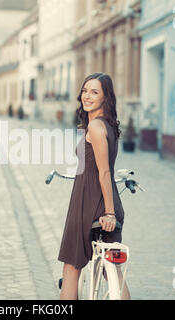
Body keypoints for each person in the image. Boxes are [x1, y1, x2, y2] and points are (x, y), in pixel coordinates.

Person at [58, 73, 130, 300]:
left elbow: (104, 172)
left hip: (88, 204)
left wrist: (108, 212)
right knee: (114, 272)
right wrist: (111, 209)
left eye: (95, 92)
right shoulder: (107, 126)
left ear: (105, 97)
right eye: (85, 91)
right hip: (108, 203)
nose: (87, 96)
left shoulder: (96, 128)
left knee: (71, 268)